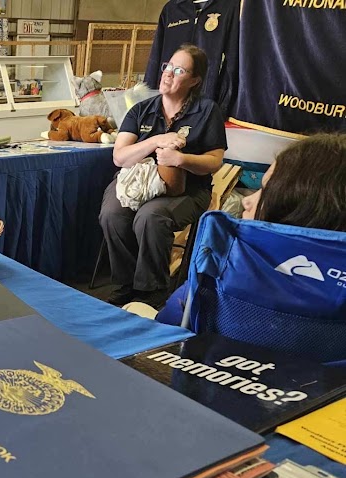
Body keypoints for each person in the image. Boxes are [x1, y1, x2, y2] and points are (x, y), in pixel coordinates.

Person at [153, 132, 346, 325]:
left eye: (265, 191)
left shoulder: (220, 279)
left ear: (296, 207)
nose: (247, 200)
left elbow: (166, 326)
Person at [99, 44, 227, 309]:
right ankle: (125, 285)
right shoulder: (141, 110)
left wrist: (182, 159)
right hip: (136, 184)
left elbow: (215, 161)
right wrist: (157, 140)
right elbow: (119, 156)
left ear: (194, 80)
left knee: (151, 217)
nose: (168, 73)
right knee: (112, 213)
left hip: (188, 190)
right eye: (167, 66)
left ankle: (150, 292)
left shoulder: (207, 111)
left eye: (179, 70)